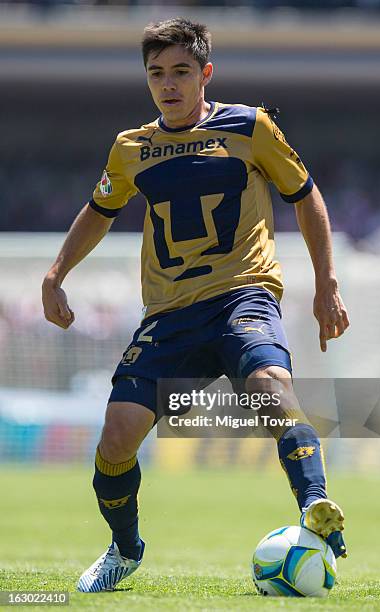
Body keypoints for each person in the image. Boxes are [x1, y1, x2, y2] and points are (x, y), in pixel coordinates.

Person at [42, 17, 350, 593]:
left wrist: (326, 282)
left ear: (205, 73)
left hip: (242, 296)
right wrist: (56, 273)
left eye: (181, 71)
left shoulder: (250, 128)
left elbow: (306, 198)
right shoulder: (131, 149)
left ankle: (316, 504)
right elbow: (99, 210)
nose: (168, 84)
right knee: (115, 439)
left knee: (269, 385)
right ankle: (124, 549)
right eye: (156, 74)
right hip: (169, 317)